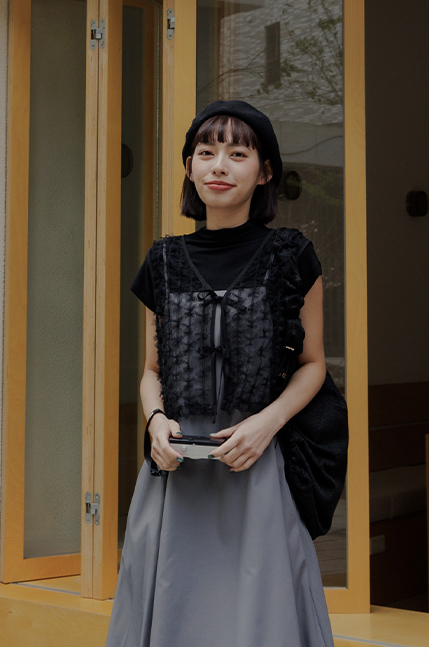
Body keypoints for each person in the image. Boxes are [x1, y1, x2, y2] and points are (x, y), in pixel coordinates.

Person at [106, 100, 332, 647]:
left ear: (265, 171)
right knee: (176, 611)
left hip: (258, 464)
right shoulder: (163, 261)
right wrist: (156, 423)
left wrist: (265, 425)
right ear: (190, 168)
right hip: (178, 469)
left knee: (260, 620)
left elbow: (313, 365)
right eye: (205, 153)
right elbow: (151, 371)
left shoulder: (291, 255)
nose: (219, 166)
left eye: (237, 154)